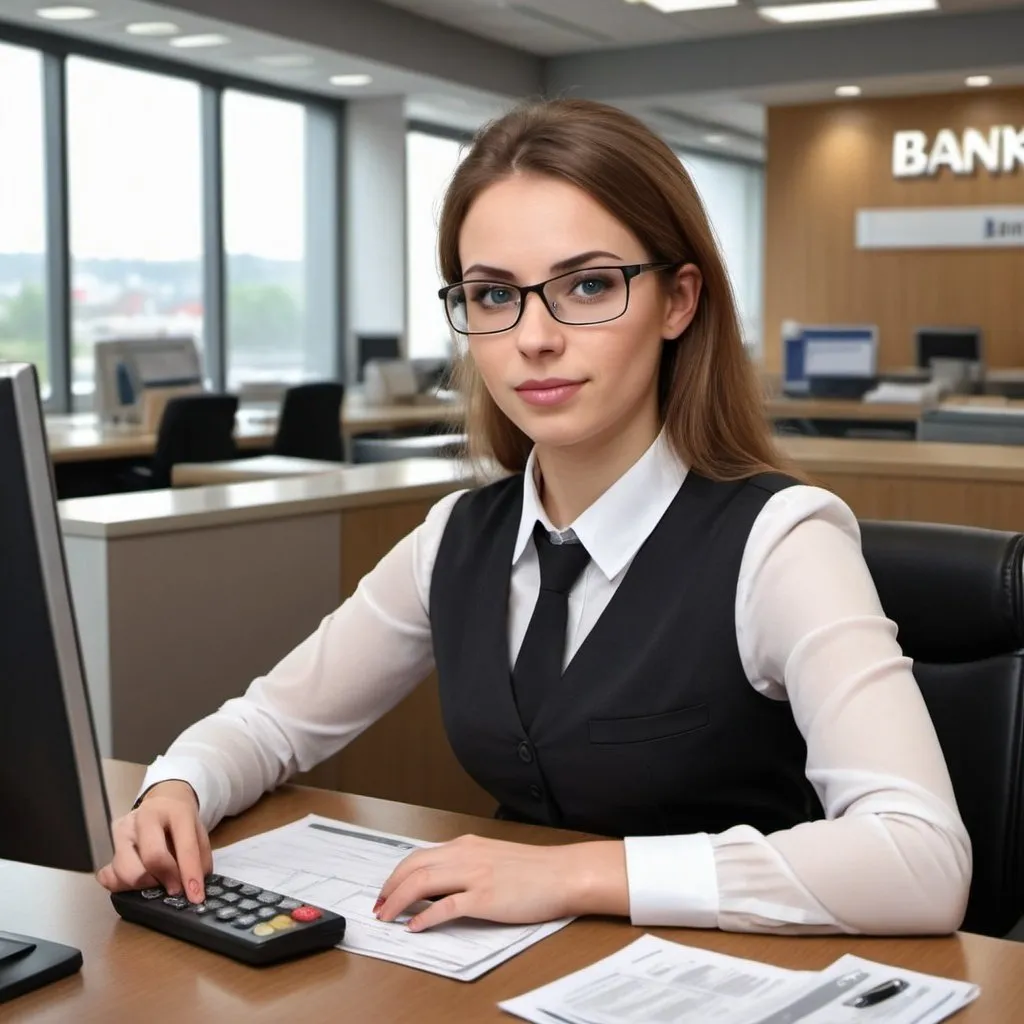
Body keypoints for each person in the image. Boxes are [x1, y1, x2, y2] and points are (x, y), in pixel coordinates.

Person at [98, 98, 971, 937]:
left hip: (725, 982)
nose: (535, 337)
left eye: (588, 286)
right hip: (508, 975)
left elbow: (921, 858)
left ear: (679, 300)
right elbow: (269, 724)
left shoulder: (781, 541)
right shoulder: (458, 538)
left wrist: (576, 874)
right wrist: (178, 786)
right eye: (492, 295)